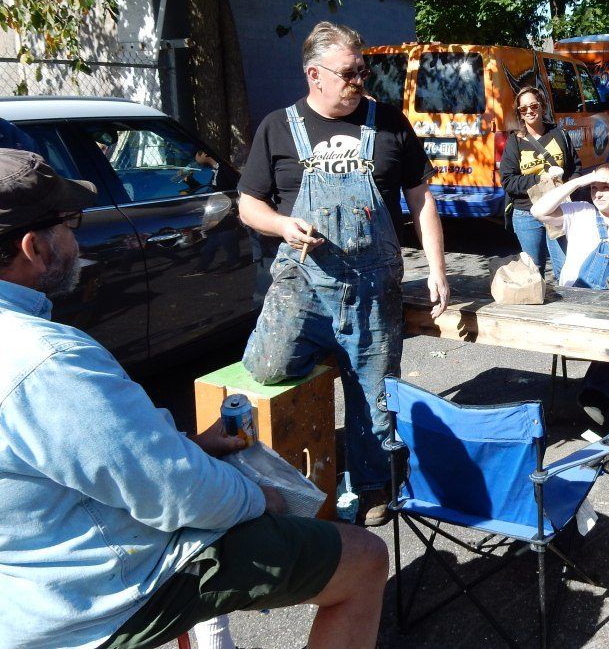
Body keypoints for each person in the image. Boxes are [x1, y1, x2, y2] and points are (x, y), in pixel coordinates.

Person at [0, 149, 389, 649]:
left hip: (27, 570)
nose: (76, 238)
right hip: (90, 596)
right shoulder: (46, 361)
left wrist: (188, 444)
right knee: (363, 558)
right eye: (69, 223)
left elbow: (63, 454)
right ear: (34, 248)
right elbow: (170, 491)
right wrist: (260, 499)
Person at [237, 21, 450, 527]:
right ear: (315, 74)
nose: (361, 78)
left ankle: (373, 483)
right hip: (303, 285)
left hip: (372, 288)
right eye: (350, 72)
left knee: (374, 393)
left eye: (363, 69)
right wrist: (283, 225)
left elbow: (421, 202)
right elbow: (248, 204)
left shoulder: (391, 123)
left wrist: (438, 270)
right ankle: (307, 454)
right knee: (267, 369)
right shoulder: (277, 126)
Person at [531, 162, 609, 432]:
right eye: (594, 188)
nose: (597, 193)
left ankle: (603, 402)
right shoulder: (580, 212)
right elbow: (538, 211)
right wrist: (578, 183)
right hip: (575, 303)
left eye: (605, 187)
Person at [499, 85, 580, 281]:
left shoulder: (559, 134)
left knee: (565, 269)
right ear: (519, 112)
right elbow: (508, 181)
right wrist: (539, 179)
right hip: (527, 213)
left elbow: (575, 167)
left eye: (533, 106)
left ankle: (565, 310)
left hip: (558, 210)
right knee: (534, 273)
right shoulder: (515, 141)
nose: (529, 111)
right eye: (523, 108)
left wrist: (570, 188)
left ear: (542, 106)